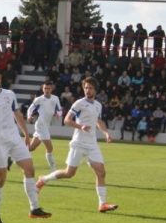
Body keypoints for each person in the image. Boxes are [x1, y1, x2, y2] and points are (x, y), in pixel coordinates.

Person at [0, 66, 49, 223]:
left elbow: (17, 114)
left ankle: (34, 208)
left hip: (14, 139)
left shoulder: (9, 95)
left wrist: (26, 134)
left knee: (29, 169)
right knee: (0, 179)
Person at [36, 77, 118, 213]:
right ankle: (43, 179)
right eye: (85, 87)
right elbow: (67, 120)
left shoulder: (98, 105)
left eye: (90, 88)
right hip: (78, 143)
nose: (87, 90)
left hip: (92, 144)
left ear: (95, 90)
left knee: (101, 172)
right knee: (69, 173)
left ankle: (102, 204)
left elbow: (99, 121)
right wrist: (80, 126)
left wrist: (106, 133)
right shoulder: (79, 103)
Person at [27, 80, 64, 172]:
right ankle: (53, 168)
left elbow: (59, 109)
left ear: (51, 89)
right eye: (45, 88)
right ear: (42, 89)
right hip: (40, 124)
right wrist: (29, 116)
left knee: (31, 148)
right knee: (50, 148)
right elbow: (30, 108)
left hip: (46, 125)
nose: (46, 90)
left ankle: (13, 156)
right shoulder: (39, 99)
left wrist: (58, 114)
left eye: (48, 88)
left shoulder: (55, 98)